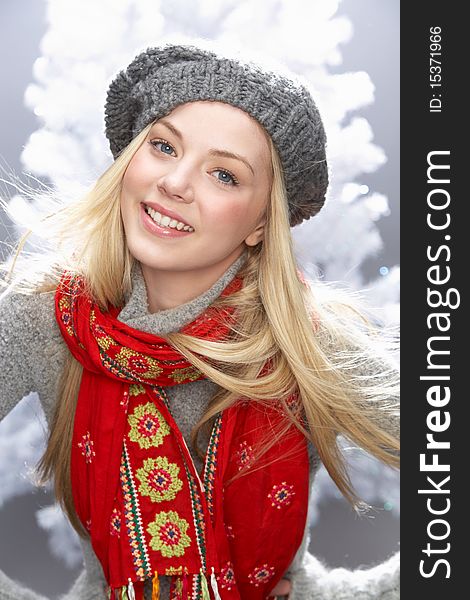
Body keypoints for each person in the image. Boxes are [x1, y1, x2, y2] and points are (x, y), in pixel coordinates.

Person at [0, 42, 400, 599]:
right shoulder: (45, 313)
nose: (175, 183)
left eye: (225, 176)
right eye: (163, 146)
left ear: (262, 223)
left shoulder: (308, 341)